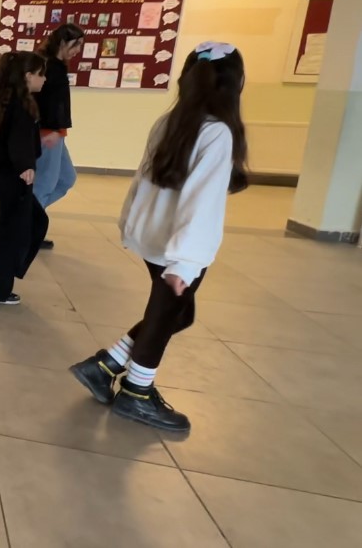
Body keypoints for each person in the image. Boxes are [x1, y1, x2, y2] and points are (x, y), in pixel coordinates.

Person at [70, 42, 248, 432]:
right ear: (233, 86)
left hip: (155, 239)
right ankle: (136, 392)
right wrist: (185, 262)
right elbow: (201, 204)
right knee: (169, 314)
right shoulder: (216, 133)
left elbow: (141, 184)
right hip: (178, 249)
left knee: (177, 313)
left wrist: (130, 226)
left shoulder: (170, 122)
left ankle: (105, 366)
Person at [0, 51, 50, 305]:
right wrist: (25, 166)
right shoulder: (20, 104)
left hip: (7, 175)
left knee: (27, 225)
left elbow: (4, 140)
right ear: (28, 76)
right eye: (41, 74)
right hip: (13, 178)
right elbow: (17, 141)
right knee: (15, 232)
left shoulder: (13, 100)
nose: (44, 79)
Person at [34, 24, 84, 248]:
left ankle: (30, 220)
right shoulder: (47, 66)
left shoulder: (57, 66)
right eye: (75, 45)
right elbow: (43, 103)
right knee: (43, 185)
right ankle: (28, 229)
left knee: (66, 179)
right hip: (48, 134)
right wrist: (51, 131)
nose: (77, 51)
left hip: (56, 133)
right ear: (63, 42)